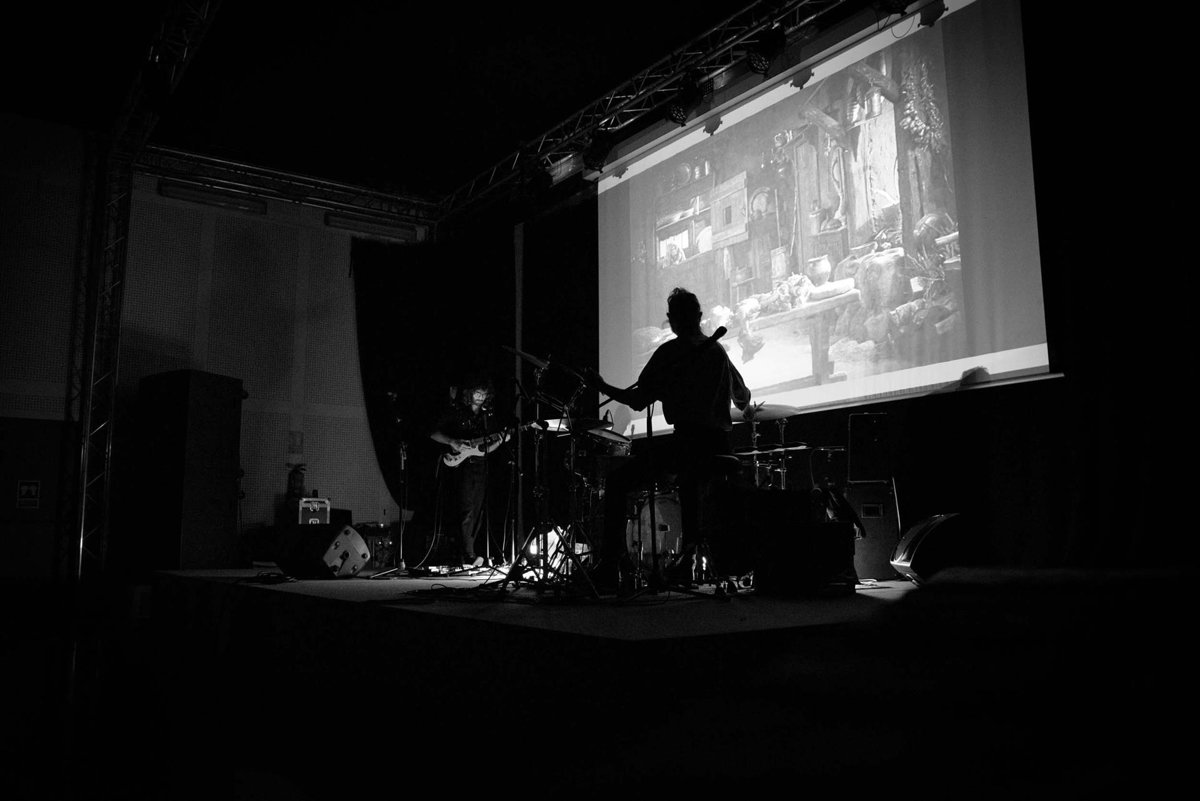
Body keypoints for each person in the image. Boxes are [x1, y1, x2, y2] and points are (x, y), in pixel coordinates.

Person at [585, 287, 751, 588]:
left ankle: (611, 566)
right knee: (689, 477)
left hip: (688, 443)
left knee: (618, 481)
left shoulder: (670, 353)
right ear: (699, 316)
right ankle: (687, 559)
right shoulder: (718, 351)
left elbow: (638, 400)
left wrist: (602, 386)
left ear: (671, 320)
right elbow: (743, 398)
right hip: (719, 445)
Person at [430, 375, 509, 568]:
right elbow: (434, 433)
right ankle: (465, 554)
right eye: (477, 392)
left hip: (480, 466)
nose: (481, 396)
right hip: (460, 467)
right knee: (465, 510)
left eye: (484, 393)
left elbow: (486, 447)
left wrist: (500, 441)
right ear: (470, 393)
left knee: (477, 511)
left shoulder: (487, 417)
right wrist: (452, 441)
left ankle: (469, 552)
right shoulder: (457, 412)